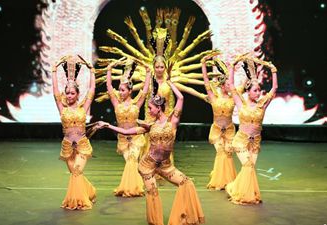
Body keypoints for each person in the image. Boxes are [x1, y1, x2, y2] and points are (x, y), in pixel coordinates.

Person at [95, 76, 204, 225]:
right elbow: (127, 132)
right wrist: (108, 126)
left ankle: (183, 219)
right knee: (153, 193)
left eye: (151, 108)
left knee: (186, 183)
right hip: (147, 165)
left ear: (159, 108)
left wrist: (170, 82)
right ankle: (155, 222)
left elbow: (181, 98)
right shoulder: (149, 125)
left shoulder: (173, 122)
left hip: (165, 166)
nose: (149, 110)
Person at [226, 54, 278, 204]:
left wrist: (273, 71)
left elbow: (274, 88)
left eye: (259, 90)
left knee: (250, 168)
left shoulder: (262, 104)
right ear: (248, 91)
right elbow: (231, 86)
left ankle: (235, 188)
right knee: (247, 165)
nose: (259, 93)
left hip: (255, 142)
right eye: (255, 90)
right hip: (241, 141)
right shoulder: (241, 103)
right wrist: (232, 66)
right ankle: (243, 195)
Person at [52, 55, 96, 210]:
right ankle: (89, 191)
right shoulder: (62, 108)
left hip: (82, 145)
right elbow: (55, 92)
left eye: (72, 93)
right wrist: (54, 70)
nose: (69, 96)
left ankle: (79, 201)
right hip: (67, 147)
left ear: (77, 94)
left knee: (77, 171)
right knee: (75, 174)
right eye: (67, 93)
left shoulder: (83, 107)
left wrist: (91, 71)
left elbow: (92, 90)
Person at [106, 58, 151, 197]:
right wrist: (109, 69)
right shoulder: (116, 103)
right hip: (123, 140)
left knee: (132, 160)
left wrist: (148, 71)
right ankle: (135, 186)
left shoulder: (136, 103)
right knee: (130, 163)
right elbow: (109, 88)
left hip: (136, 138)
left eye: (123, 90)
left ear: (130, 91)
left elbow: (144, 90)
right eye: (119, 90)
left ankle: (131, 188)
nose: (120, 92)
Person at [201, 54, 237, 190]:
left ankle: (228, 180)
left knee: (228, 152)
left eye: (230, 84)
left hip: (229, 130)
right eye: (228, 84)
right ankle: (220, 180)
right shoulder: (214, 97)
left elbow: (234, 83)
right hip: (216, 130)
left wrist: (233, 67)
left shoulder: (233, 98)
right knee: (220, 152)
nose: (230, 86)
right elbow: (206, 82)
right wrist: (203, 64)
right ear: (222, 86)